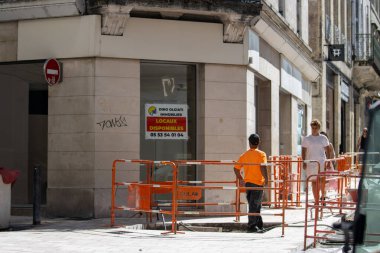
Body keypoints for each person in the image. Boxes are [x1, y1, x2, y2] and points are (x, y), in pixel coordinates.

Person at [234, 134, 268, 233]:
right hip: (258, 183)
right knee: (255, 205)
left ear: (249, 143)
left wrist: (241, 179)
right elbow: (263, 166)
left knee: (255, 205)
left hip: (248, 183)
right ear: (259, 142)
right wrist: (267, 178)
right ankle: (251, 226)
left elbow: (236, 168)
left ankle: (259, 225)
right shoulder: (261, 154)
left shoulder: (244, 155)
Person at [302, 120, 331, 204]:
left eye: (316, 128)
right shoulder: (307, 139)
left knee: (322, 180)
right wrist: (304, 162)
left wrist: (328, 162)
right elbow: (303, 151)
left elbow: (328, 150)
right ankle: (316, 200)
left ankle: (323, 196)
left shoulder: (323, 138)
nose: (314, 129)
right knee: (314, 181)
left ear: (319, 128)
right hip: (311, 163)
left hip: (321, 162)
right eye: (313, 128)